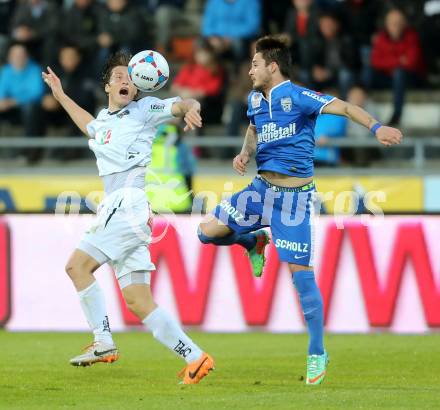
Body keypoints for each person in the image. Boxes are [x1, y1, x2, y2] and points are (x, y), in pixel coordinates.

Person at [197, 36, 402, 385]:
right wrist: (245, 154)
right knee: (206, 231)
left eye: (255, 64)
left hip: (293, 201)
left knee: (302, 280)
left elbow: (348, 108)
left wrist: (377, 127)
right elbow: (252, 127)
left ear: (272, 66)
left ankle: (317, 353)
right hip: (260, 190)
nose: (249, 71)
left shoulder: (301, 97)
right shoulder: (254, 100)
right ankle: (254, 242)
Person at [42, 52, 214, 385]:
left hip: (127, 204)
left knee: (76, 267)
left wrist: (191, 108)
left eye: (130, 78)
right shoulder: (105, 120)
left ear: (138, 88)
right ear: (107, 85)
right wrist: (61, 95)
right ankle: (195, 357)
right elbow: (89, 125)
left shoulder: (144, 110)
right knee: (138, 301)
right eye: (119, 76)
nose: (126, 81)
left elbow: (179, 104)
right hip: (124, 210)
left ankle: (103, 342)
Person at [369, 8, 426, 125]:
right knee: (367, 73)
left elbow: (411, 62)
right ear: (386, 24)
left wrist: (388, 62)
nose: (395, 26)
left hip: (410, 79)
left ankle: (397, 114)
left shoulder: (411, 36)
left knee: (399, 73)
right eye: (392, 23)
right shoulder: (381, 37)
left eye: (398, 23)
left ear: (404, 23)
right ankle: (365, 114)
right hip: (388, 77)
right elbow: (375, 61)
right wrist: (398, 61)